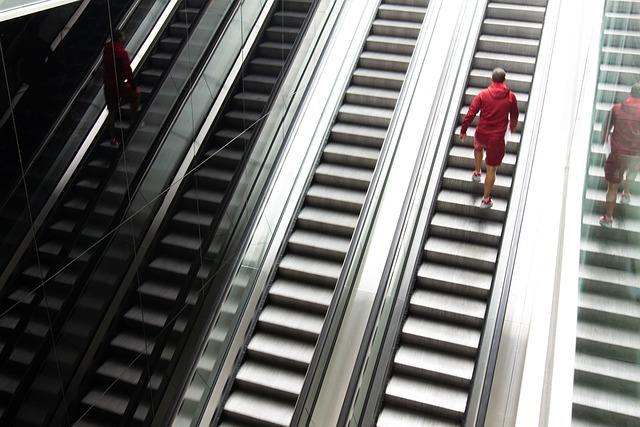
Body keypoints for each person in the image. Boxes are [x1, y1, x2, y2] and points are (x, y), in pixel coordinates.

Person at [460, 68, 519, 208]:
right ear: (504, 81)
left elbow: (471, 113)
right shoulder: (511, 97)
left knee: (478, 146)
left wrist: (463, 130)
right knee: (492, 169)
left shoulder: (483, 95)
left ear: (491, 80)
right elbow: (514, 115)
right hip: (496, 139)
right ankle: (485, 200)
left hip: (482, 133)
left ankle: (477, 172)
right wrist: (512, 126)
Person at [598, 83, 640, 227]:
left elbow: (605, 127)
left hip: (617, 155)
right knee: (633, 171)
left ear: (631, 93)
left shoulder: (617, 108)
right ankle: (627, 193)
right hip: (636, 155)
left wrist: (603, 141)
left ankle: (608, 218)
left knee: (612, 187)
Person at [103, 29, 139, 147]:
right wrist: (133, 86)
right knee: (135, 95)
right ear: (119, 38)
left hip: (108, 85)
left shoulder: (107, 48)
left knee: (112, 111)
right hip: (119, 84)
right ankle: (133, 120)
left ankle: (112, 138)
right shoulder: (121, 52)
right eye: (123, 37)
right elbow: (127, 71)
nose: (125, 38)